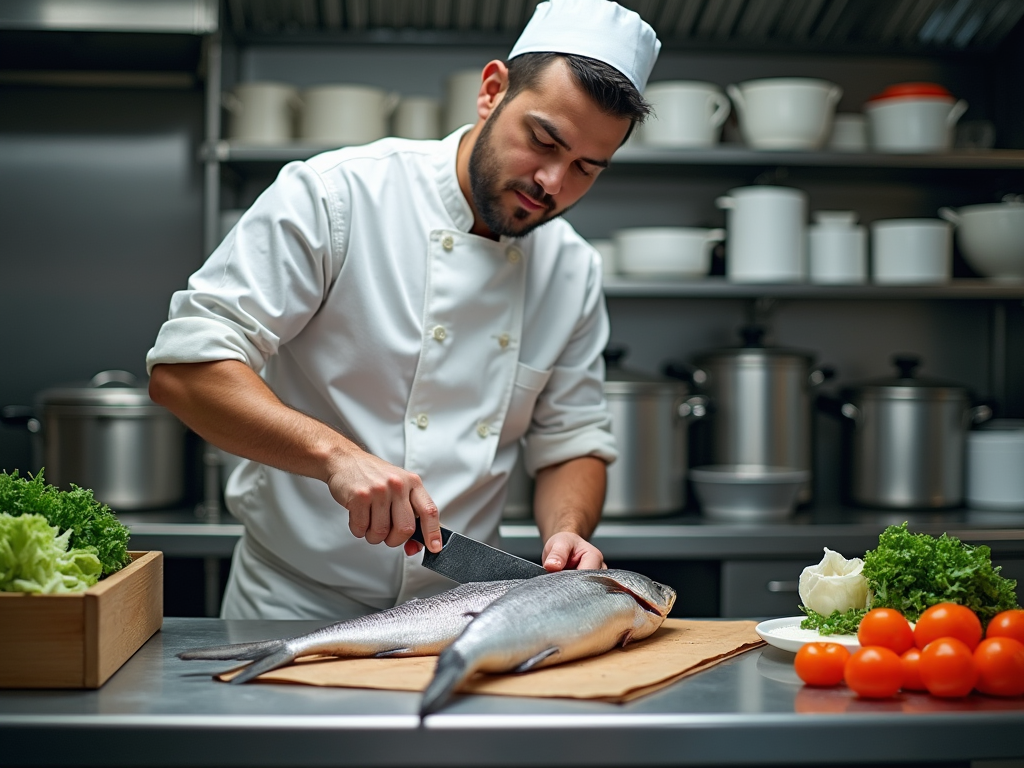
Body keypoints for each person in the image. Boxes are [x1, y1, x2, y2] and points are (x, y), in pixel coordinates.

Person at [146, 0, 661, 620]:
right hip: (292, 604)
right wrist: (336, 456)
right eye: (543, 140)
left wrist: (569, 529)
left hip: (458, 612)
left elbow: (570, 439)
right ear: (492, 91)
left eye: (586, 167)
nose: (553, 181)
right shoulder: (336, 196)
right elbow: (185, 369)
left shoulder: (572, 269)